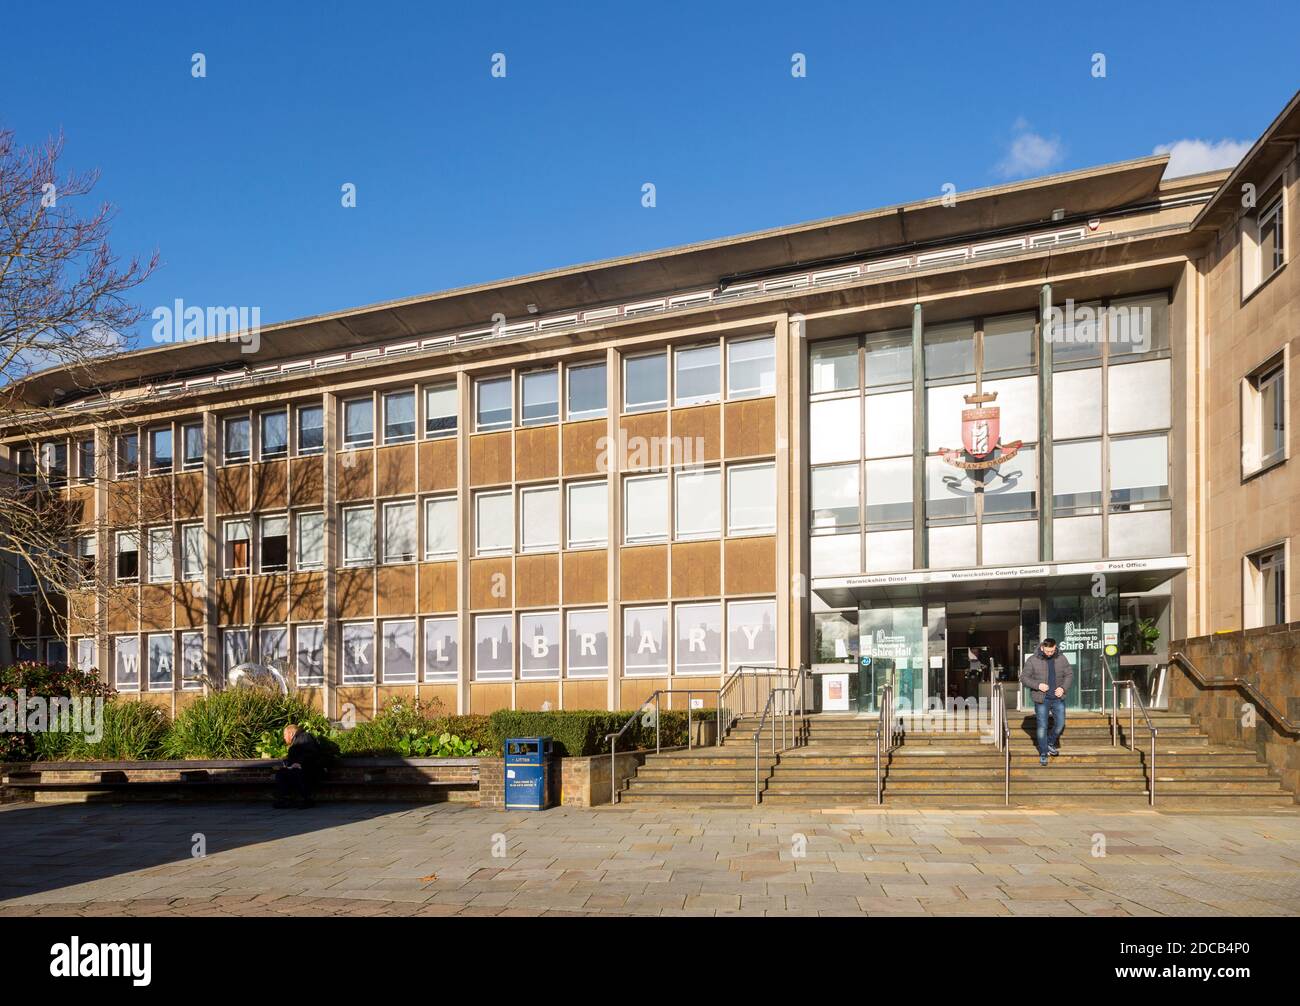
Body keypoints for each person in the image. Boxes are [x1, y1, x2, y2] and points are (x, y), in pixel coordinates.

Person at [1020, 638, 1071, 767]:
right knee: (1042, 726)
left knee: (1060, 724)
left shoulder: (1061, 658)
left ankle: (1050, 742)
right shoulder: (1032, 660)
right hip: (1041, 698)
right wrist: (1038, 685)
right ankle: (1043, 753)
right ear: (1042, 647)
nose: (1050, 653)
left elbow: (1069, 674)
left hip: (1058, 697)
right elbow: (1024, 678)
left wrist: (1063, 688)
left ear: (1055, 647)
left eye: (1052, 651)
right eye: (1048, 651)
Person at [273, 723, 324, 808]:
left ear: (291, 734)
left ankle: (305, 800)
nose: (284, 737)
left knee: (292, 774)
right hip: (302, 769)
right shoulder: (297, 740)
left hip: (310, 770)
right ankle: (286, 799)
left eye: (285, 735)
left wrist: (299, 763)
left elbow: (311, 753)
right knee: (282, 773)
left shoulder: (304, 737)